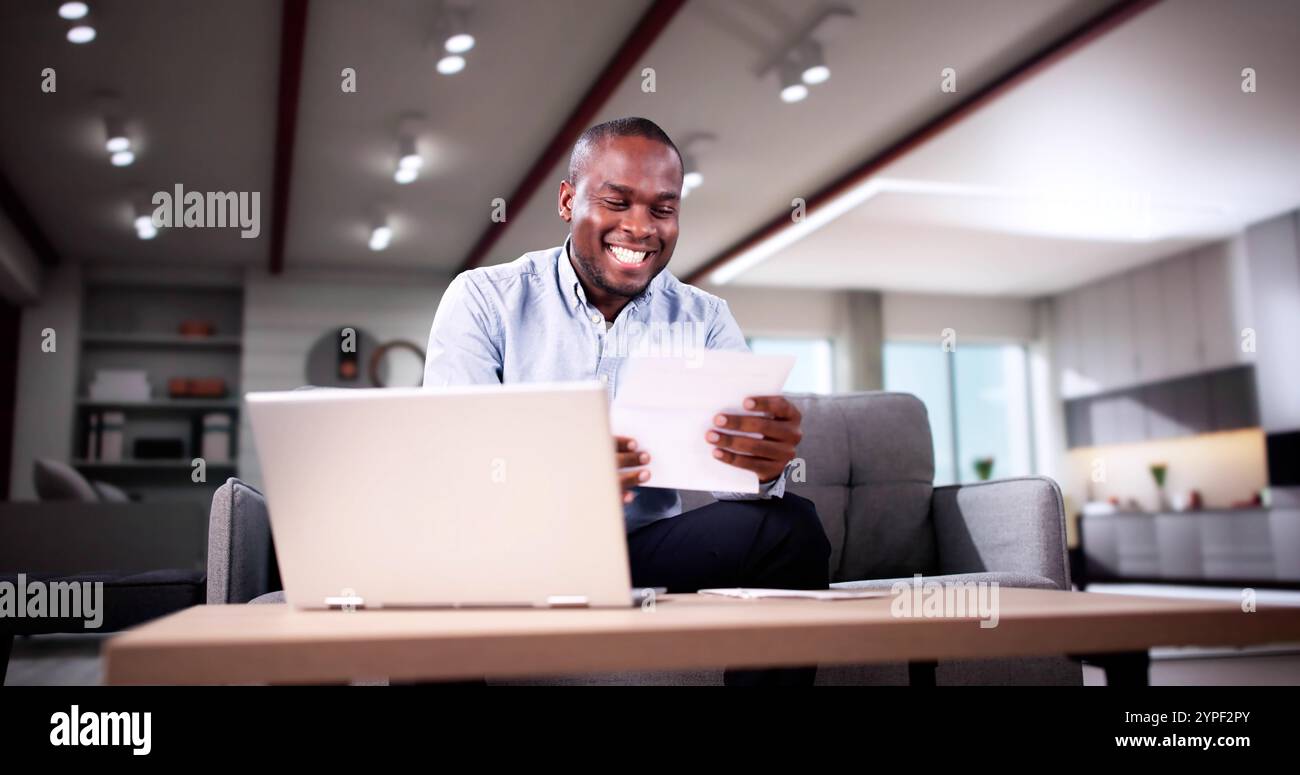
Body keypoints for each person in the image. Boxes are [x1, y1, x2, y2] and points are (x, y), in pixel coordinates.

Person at [424, 117, 831, 685]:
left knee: (789, 525)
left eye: (663, 210)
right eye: (617, 202)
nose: (640, 228)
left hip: (635, 555)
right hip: (507, 555)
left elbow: (734, 477)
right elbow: (454, 466)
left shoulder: (704, 318)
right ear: (568, 201)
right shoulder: (484, 299)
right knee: (428, 564)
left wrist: (760, 466)